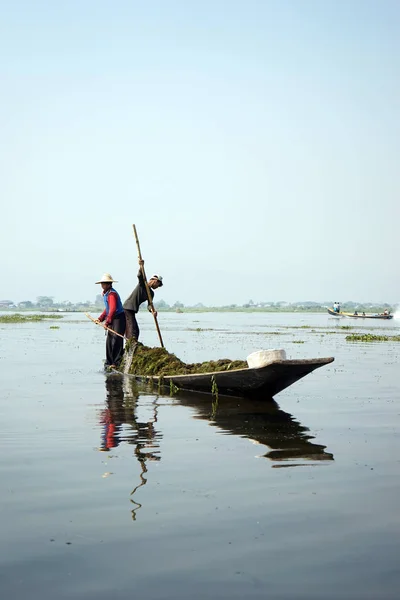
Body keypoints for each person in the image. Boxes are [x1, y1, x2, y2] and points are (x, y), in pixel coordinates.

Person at [123, 260, 163, 340]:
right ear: (155, 281)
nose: (158, 287)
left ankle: (131, 345)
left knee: (135, 330)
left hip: (132, 310)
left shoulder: (151, 293)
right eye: (158, 284)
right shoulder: (143, 284)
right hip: (127, 308)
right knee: (133, 330)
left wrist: (153, 311)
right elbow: (140, 276)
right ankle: (131, 346)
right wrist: (141, 266)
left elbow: (149, 305)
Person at [95, 273, 126, 368]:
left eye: (104, 283)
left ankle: (116, 362)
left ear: (109, 284)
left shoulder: (112, 294)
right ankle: (109, 362)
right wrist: (100, 318)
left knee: (116, 340)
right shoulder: (106, 294)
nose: (102, 285)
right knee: (109, 341)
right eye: (102, 283)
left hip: (118, 318)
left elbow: (112, 309)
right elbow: (107, 309)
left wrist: (107, 322)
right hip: (113, 318)